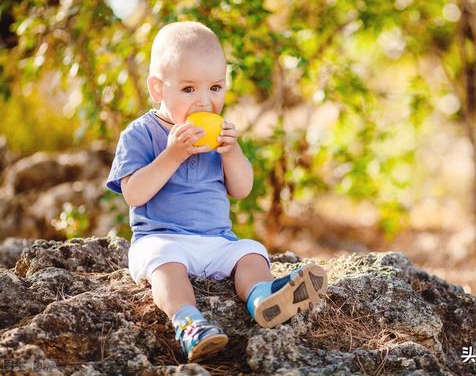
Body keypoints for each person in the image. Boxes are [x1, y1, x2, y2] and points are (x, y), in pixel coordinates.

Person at [105, 21, 328, 363]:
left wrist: (231, 153)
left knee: (251, 252)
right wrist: (173, 155)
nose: (205, 102)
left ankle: (263, 297)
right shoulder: (141, 133)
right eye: (189, 89)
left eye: (215, 87)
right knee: (166, 267)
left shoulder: (220, 135)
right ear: (157, 89)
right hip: (161, 238)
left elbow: (241, 189)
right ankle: (189, 321)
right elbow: (134, 194)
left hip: (216, 240)